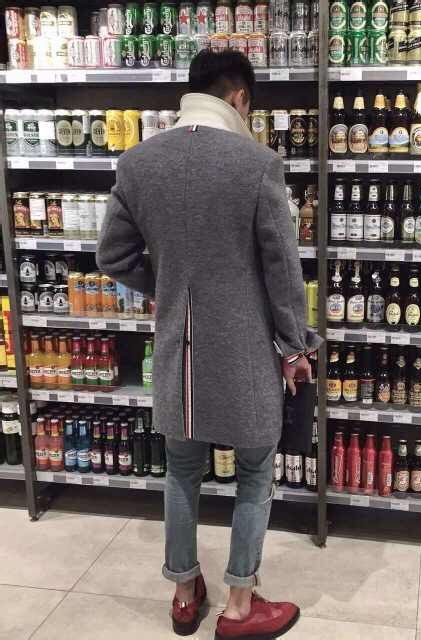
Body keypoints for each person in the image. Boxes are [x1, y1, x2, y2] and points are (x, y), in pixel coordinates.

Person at [96, 50, 321, 640]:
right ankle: (240, 606)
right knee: (255, 472)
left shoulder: (137, 163)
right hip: (246, 351)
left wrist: (167, 285)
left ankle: (182, 594)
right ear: (239, 97)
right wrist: (295, 346)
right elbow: (282, 272)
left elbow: (112, 255)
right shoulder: (258, 164)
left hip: (179, 351)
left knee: (181, 471)